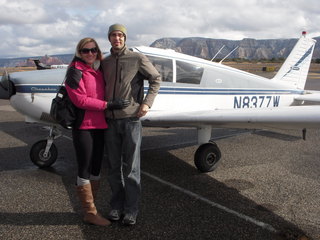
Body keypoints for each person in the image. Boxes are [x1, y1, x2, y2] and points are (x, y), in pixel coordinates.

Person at [65, 37, 129, 226]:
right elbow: (80, 101)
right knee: (84, 168)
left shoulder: (97, 70)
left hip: (100, 124)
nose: (90, 53)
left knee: (96, 168)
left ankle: (91, 210)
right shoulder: (75, 71)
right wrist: (109, 105)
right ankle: (90, 212)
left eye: (93, 50)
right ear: (79, 52)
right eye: (86, 51)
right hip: (84, 126)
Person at [101, 23, 161, 226]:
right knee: (113, 168)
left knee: (132, 168)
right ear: (109, 38)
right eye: (113, 35)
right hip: (110, 121)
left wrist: (146, 103)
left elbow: (156, 79)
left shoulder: (136, 58)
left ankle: (131, 210)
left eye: (120, 35)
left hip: (131, 120)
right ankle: (116, 206)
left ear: (125, 38)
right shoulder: (105, 61)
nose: (117, 38)